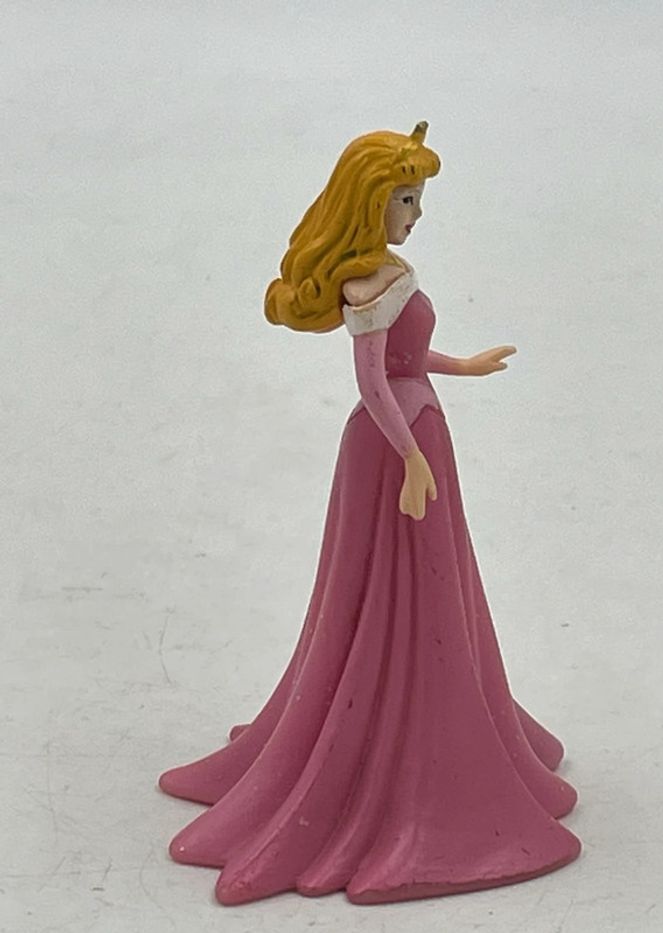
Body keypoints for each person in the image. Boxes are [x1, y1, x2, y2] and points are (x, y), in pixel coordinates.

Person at [158, 122, 581, 905]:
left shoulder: (391, 270)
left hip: (418, 435)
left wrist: (464, 365)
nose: (416, 214)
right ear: (371, 201)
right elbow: (373, 383)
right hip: (394, 448)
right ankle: (388, 747)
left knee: (435, 587)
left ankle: (452, 722)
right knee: (389, 593)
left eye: (417, 198)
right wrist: (411, 458)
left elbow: (406, 362)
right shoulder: (365, 286)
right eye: (405, 199)